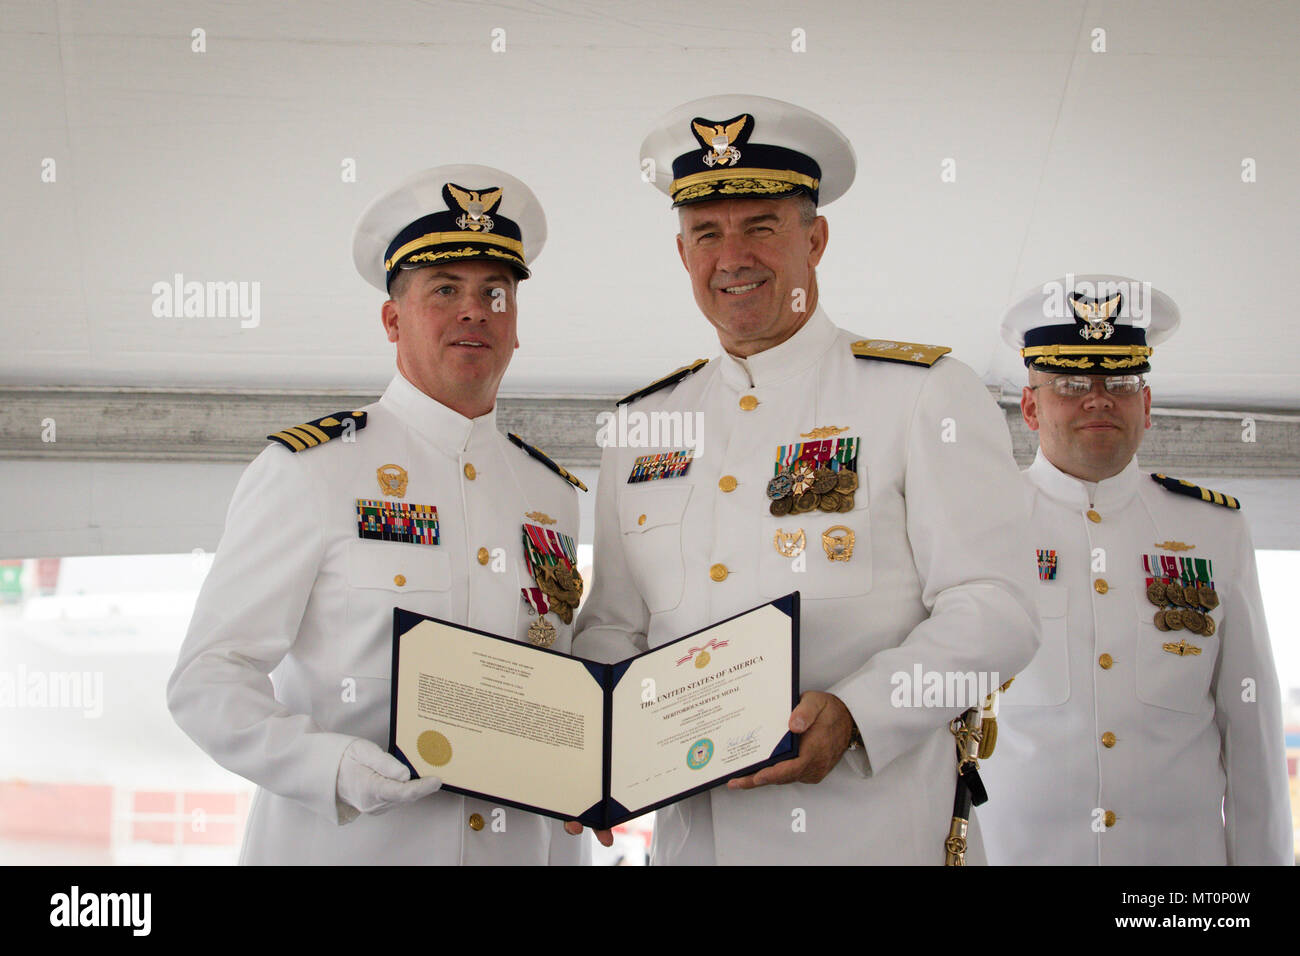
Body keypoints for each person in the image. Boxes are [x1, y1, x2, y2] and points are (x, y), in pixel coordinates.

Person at [573, 94, 1040, 865]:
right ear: (682, 253)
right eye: (707, 234)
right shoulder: (641, 426)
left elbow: (998, 611)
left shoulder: (921, 394)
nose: (734, 257)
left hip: (871, 835)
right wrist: (588, 751)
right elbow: (613, 626)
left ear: (815, 238)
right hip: (695, 843)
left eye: (761, 226)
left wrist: (860, 712)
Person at [168, 165, 594, 864]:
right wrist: (328, 767)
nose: (474, 311)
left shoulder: (551, 494)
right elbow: (207, 678)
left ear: (515, 325)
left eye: (495, 293)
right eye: (445, 291)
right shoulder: (312, 470)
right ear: (393, 319)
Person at [980, 274, 1292, 864]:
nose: (1097, 397)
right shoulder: (976, 525)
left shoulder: (1214, 531)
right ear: (1028, 406)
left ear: (1145, 405)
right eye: (1069, 381)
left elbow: (1251, 731)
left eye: (1119, 380)